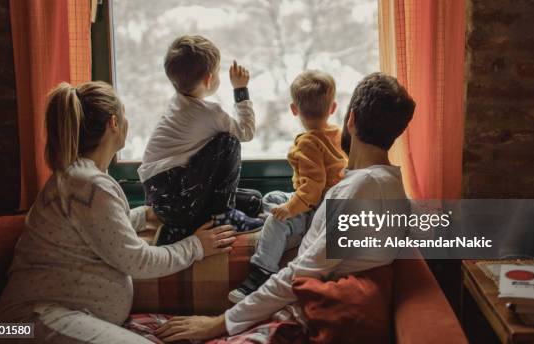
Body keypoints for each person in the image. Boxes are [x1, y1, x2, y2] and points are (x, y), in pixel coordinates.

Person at [154, 72, 416, 342]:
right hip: (308, 307)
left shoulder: (363, 189)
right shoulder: (392, 187)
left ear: (350, 120)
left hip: (309, 319)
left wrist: (220, 323)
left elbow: (302, 271)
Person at [0, 81, 237, 343]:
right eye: (124, 115)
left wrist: (148, 214)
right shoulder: (90, 185)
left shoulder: (80, 178)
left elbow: (102, 231)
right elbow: (137, 261)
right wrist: (196, 246)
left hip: (43, 320)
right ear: (113, 123)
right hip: (31, 322)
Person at [229, 71, 348, 303]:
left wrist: (292, 209)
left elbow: (313, 187)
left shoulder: (308, 143)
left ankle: (262, 272)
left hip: (316, 209)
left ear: (294, 109)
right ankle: (277, 228)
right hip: (322, 200)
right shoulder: (336, 133)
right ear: (333, 108)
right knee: (273, 197)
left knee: (277, 218)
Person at [138, 35, 264, 245]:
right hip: (178, 197)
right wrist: (240, 89)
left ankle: (188, 224)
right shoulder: (210, 113)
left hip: (161, 199)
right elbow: (246, 132)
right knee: (228, 142)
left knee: (253, 201)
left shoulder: (176, 103)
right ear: (208, 79)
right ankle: (224, 217)